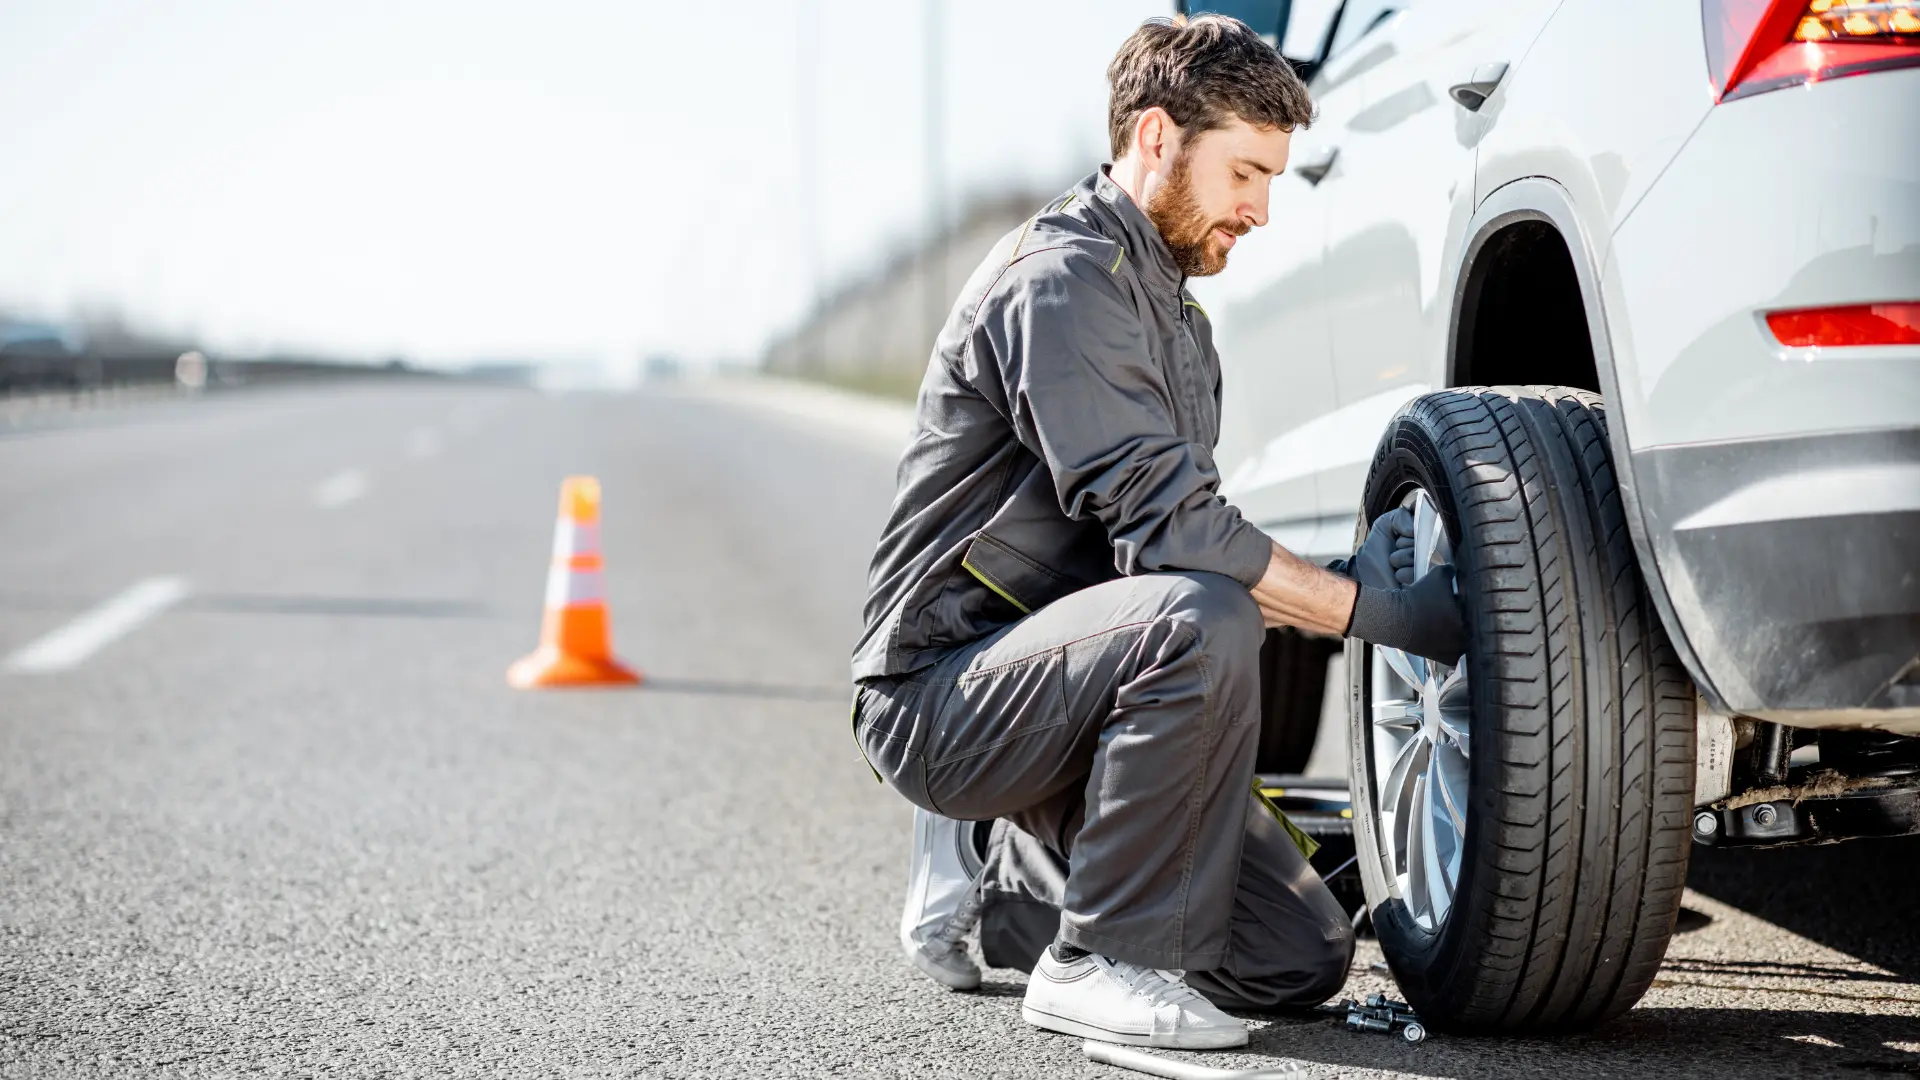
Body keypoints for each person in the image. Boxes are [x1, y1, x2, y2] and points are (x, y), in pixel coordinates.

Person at [849, 15, 1465, 1050]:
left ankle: (1017, 881)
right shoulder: (1062, 283)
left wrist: (1329, 579)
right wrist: (1368, 609)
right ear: (1153, 140)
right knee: (1198, 617)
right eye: (1245, 173)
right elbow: (1179, 551)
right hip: (938, 690)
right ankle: (1098, 962)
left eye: (1273, 179)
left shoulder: (1178, 321)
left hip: (1064, 684)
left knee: (1292, 956)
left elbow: (1168, 542)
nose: (1263, 209)